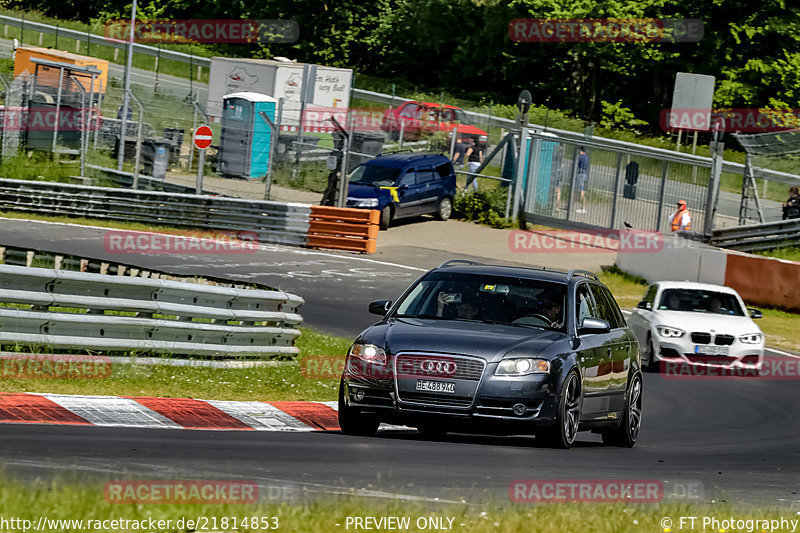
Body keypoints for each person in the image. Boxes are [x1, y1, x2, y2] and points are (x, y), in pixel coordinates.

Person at [575, 146, 589, 213]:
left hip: (580, 174)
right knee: (581, 190)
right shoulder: (586, 157)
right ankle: (582, 207)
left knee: (581, 190)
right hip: (584, 174)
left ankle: (582, 207)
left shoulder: (581, 157)